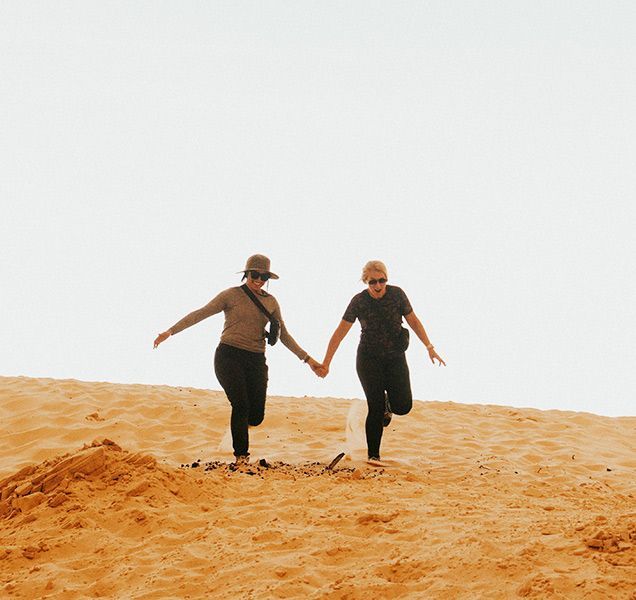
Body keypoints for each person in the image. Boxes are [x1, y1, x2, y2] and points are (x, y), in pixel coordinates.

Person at [153, 254, 322, 464]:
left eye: (264, 276)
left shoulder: (271, 302)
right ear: (246, 274)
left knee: (256, 416)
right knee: (240, 404)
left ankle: (239, 426)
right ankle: (241, 456)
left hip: (256, 360)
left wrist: (308, 360)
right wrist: (170, 331)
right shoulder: (231, 295)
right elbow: (201, 313)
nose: (259, 279)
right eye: (255, 274)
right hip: (229, 356)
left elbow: (284, 335)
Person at [318, 260, 446, 464]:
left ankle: (389, 404)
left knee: (403, 406)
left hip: (395, 358)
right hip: (369, 359)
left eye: (382, 281)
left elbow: (413, 321)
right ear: (365, 282)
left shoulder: (397, 295)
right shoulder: (359, 301)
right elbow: (339, 333)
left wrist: (429, 347)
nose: (378, 286)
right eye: (372, 282)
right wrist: (326, 362)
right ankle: (373, 455)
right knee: (375, 407)